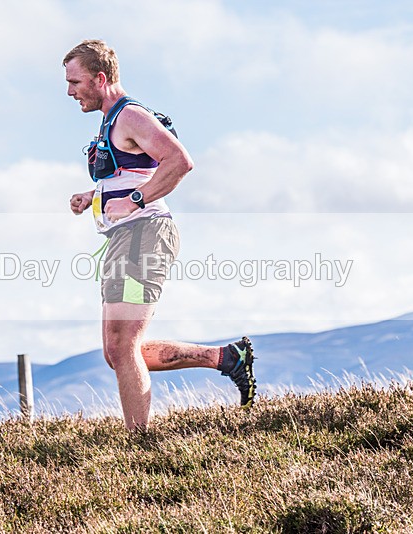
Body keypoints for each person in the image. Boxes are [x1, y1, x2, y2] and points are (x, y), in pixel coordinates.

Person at [63, 39, 255, 430]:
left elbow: (180, 161)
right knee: (116, 351)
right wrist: (95, 195)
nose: (70, 91)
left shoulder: (129, 115)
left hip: (142, 235)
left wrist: (135, 199)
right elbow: (135, 172)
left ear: (100, 79)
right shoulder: (111, 120)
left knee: (122, 346)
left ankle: (139, 443)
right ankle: (227, 358)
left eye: (75, 82)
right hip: (127, 238)